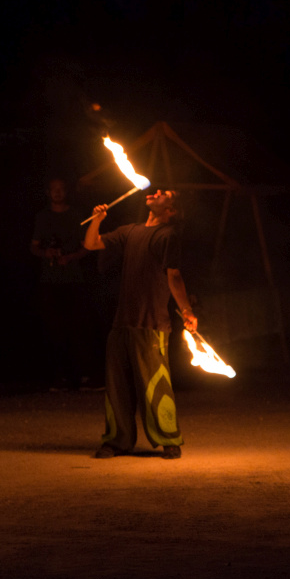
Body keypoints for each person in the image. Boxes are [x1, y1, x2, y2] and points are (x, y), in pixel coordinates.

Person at [83, 189, 197, 459]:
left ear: (171, 210)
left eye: (165, 194)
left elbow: (174, 275)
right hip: (122, 321)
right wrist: (96, 220)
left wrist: (186, 309)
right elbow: (91, 244)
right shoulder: (130, 231)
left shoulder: (168, 235)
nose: (156, 192)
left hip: (152, 322)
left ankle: (169, 439)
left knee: (156, 384)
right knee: (117, 386)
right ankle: (117, 441)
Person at [30, 178, 93, 389]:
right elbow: (33, 247)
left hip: (73, 279)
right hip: (50, 280)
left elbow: (87, 246)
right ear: (48, 192)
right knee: (54, 328)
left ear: (66, 191)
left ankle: (82, 376)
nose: (57, 193)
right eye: (53, 189)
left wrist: (70, 257)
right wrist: (46, 253)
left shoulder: (75, 215)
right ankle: (59, 377)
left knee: (77, 327)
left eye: (61, 189)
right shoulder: (42, 217)